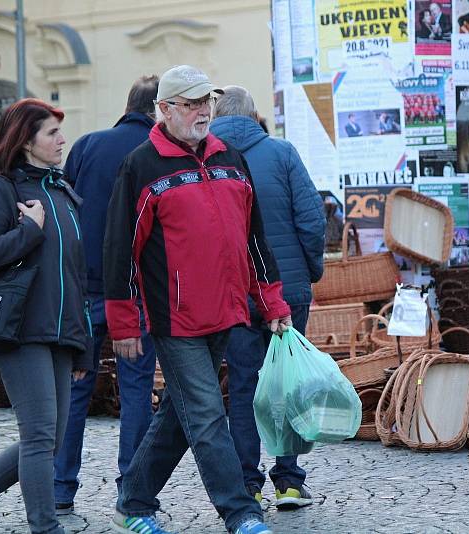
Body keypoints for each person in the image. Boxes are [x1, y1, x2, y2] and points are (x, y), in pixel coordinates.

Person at [104, 65, 288, 534]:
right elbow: (119, 249)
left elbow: (255, 241)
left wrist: (272, 304)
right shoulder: (141, 166)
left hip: (226, 312)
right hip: (175, 319)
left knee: (179, 415)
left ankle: (133, 501)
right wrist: (124, 324)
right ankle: (242, 513)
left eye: (206, 100)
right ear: (164, 111)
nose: (203, 111)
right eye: (191, 103)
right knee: (207, 415)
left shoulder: (231, 158)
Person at [0, 98, 93, 534]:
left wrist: (83, 345)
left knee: (48, 441)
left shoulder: (63, 192)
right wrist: (29, 231)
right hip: (20, 331)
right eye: (51, 133)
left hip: (62, 334)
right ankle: (45, 527)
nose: (62, 139)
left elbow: (76, 275)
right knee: (39, 437)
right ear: (26, 141)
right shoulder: (2, 189)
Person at [210, 86, 325, 509]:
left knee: (243, 387)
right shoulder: (282, 153)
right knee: (289, 385)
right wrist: (308, 273)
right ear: (255, 116)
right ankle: (290, 481)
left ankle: (247, 483)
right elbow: (311, 220)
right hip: (287, 290)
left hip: (235, 295)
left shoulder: (208, 161)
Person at [53, 75, 160, 515]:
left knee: (75, 390)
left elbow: (68, 208)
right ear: (159, 111)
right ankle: (130, 491)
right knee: (136, 392)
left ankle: (60, 488)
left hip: (83, 290)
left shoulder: (87, 145)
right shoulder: (157, 155)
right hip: (134, 293)